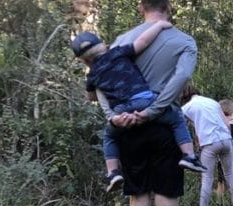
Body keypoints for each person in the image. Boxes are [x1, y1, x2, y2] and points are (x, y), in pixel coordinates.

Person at [99, 0, 197, 206]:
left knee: (137, 201)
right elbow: (181, 79)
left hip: (126, 127)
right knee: (166, 202)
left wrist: (112, 116)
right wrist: (155, 109)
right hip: (164, 126)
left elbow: (100, 79)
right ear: (169, 8)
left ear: (141, 7)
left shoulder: (121, 41)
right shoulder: (184, 42)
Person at [71, 23, 204, 192]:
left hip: (121, 111)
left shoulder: (92, 75)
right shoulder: (117, 53)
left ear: (83, 60)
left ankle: (113, 172)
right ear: (102, 45)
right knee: (176, 118)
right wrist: (160, 26)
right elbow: (142, 42)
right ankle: (189, 155)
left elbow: (91, 97)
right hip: (145, 101)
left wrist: (95, 80)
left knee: (110, 136)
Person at [182, 88, 233, 206]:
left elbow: (181, 127)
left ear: (185, 98)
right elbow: (227, 124)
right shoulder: (213, 102)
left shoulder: (187, 107)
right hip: (226, 140)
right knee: (230, 175)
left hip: (210, 143)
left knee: (207, 178)